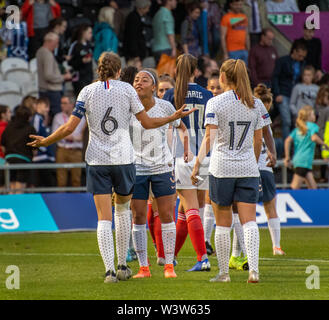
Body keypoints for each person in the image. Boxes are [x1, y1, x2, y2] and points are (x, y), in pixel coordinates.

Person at [27, 51, 195, 283]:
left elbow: (69, 128)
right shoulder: (127, 90)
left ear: (99, 69)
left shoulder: (86, 91)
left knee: (104, 218)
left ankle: (109, 271)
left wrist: (46, 141)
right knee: (124, 211)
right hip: (124, 160)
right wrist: (172, 118)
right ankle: (124, 264)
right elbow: (146, 122)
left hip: (97, 160)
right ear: (119, 71)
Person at [191, 58, 265, 283]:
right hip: (247, 169)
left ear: (222, 77)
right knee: (249, 221)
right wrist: (251, 163)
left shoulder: (215, 103)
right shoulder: (255, 103)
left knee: (222, 223)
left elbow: (209, 138)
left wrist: (197, 165)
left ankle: (223, 273)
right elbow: (258, 140)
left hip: (221, 169)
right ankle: (254, 270)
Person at [130, 68, 189, 278]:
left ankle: (169, 265)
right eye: (136, 79)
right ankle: (143, 267)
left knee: (166, 215)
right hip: (136, 167)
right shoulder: (128, 106)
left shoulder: (165, 106)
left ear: (154, 87)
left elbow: (181, 126)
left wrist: (186, 151)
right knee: (137, 215)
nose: (139, 83)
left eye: (144, 80)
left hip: (162, 166)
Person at [164, 53, 213, 271]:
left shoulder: (170, 95)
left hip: (181, 156)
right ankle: (171, 256)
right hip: (204, 156)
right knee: (188, 210)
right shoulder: (208, 94)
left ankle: (202, 258)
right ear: (196, 71)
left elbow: (165, 129)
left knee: (190, 207)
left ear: (176, 70)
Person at [284, 105, 329, 189]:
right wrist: (325, 145)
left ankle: (315, 202)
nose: (314, 116)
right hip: (304, 161)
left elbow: (287, 140)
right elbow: (314, 137)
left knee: (313, 188)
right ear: (308, 116)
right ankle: (283, 200)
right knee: (294, 188)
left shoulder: (298, 129)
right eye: (312, 114)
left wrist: (287, 157)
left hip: (300, 160)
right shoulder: (312, 126)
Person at [272, 39, 307, 141]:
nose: (301, 58)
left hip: (296, 96)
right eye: (300, 56)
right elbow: (275, 77)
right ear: (294, 51)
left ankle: (294, 148)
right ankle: (285, 148)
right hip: (284, 94)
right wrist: (277, 93)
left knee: (296, 121)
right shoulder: (282, 61)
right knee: (286, 121)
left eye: (303, 57)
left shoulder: (303, 63)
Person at [52, 95, 86, 188]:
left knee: (76, 180)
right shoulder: (57, 117)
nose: (62, 105)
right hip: (62, 149)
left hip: (76, 150)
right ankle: (60, 200)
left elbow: (83, 135)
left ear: (72, 104)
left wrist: (72, 137)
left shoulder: (81, 117)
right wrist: (67, 135)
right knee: (61, 180)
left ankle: (76, 201)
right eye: (61, 103)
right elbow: (54, 134)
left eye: (65, 103)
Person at [1, 106, 36, 193]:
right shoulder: (30, 129)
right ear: (28, 117)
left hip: (9, 160)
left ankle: (11, 206)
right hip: (23, 161)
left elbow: (2, 146)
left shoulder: (8, 127)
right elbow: (35, 149)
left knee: (11, 190)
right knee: (19, 191)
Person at [36, 32, 72, 116]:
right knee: (56, 115)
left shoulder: (40, 51)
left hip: (44, 89)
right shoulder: (47, 54)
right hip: (52, 91)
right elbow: (48, 75)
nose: (57, 46)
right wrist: (64, 77)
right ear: (49, 41)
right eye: (56, 43)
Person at [31, 97, 56, 187]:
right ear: (38, 105)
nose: (48, 109)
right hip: (40, 158)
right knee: (44, 185)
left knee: (46, 185)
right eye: (46, 106)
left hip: (44, 156)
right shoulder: (37, 118)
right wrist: (36, 149)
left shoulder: (40, 118)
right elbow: (34, 135)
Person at [221, 0, 249, 64]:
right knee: (234, 72)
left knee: (243, 72)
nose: (238, 7)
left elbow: (246, 35)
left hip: (243, 50)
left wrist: (248, 49)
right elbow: (223, 36)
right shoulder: (226, 18)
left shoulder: (244, 17)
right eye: (236, 5)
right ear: (231, 5)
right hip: (232, 51)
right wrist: (225, 53)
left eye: (240, 5)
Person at [69, 24, 93, 98]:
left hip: (88, 77)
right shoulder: (75, 45)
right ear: (83, 33)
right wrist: (81, 61)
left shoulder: (89, 45)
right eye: (89, 32)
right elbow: (69, 62)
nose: (91, 35)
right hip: (78, 78)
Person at [0, 104, 10, 186]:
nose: (10, 114)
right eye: (9, 112)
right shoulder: (6, 129)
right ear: (3, 114)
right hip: (3, 161)